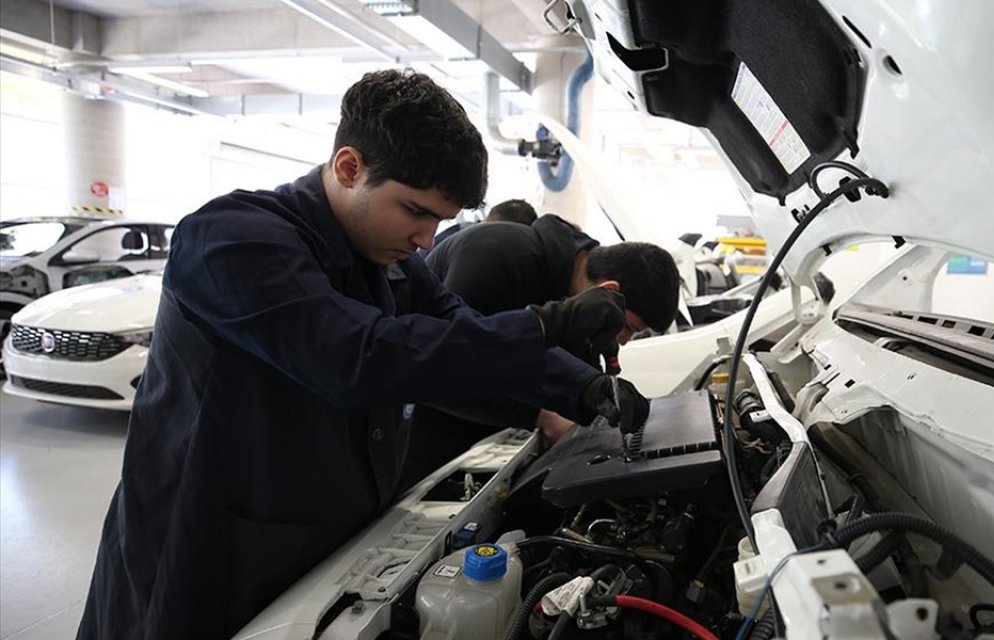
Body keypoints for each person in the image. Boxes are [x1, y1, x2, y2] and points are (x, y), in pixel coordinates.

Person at [75, 69, 649, 640]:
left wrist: (584, 387)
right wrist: (546, 323)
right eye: (415, 211)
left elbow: (460, 328)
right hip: (210, 545)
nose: (428, 240)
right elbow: (357, 358)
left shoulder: (388, 261)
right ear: (350, 168)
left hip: (326, 538)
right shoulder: (234, 239)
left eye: (440, 222)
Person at [397, 215, 679, 485]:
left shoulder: (574, 293)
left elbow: (527, 355)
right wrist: (541, 415)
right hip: (422, 439)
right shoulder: (496, 259)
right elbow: (450, 369)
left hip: (486, 440)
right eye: (627, 327)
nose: (624, 340)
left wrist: (590, 386)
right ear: (609, 290)